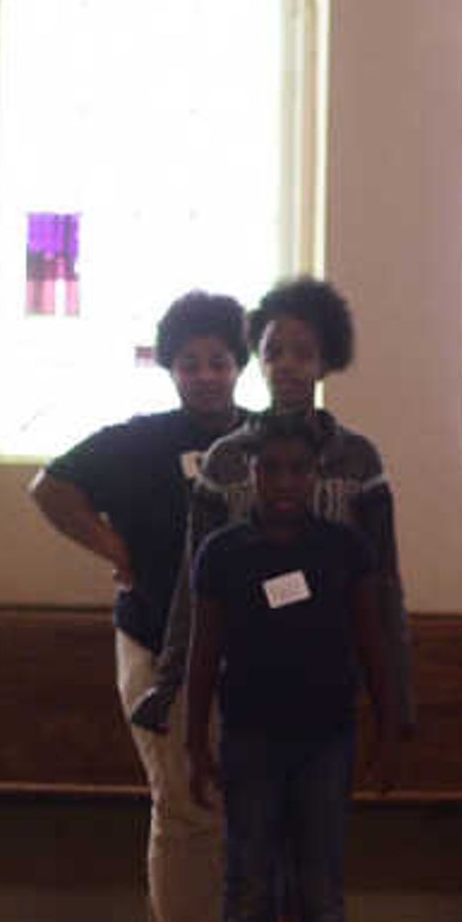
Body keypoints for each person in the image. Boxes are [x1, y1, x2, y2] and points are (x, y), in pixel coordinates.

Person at [27, 290, 250, 922]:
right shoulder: (140, 440)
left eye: (219, 360)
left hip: (250, 652)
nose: (206, 375)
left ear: (239, 364)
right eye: (190, 363)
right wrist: (110, 546)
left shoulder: (263, 439)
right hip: (157, 642)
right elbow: (50, 487)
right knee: (182, 798)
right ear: (171, 369)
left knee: (244, 802)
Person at [182, 412, 392, 922]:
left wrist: (386, 726)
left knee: (320, 887)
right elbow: (203, 650)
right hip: (250, 738)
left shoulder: (343, 550)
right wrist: (195, 741)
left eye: (297, 469)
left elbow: (370, 640)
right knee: (249, 883)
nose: (282, 482)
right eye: (269, 468)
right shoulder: (224, 553)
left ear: (316, 477)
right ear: (249, 474)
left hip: (326, 738)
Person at [133, 277, 411, 743]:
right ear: (257, 361)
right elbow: (194, 581)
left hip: (329, 672)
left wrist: (396, 694)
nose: (287, 366)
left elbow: (384, 582)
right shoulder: (224, 461)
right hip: (246, 673)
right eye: (274, 352)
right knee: (247, 811)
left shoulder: (359, 460)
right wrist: (169, 678)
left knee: (320, 810)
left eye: (302, 353)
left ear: (325, 362)